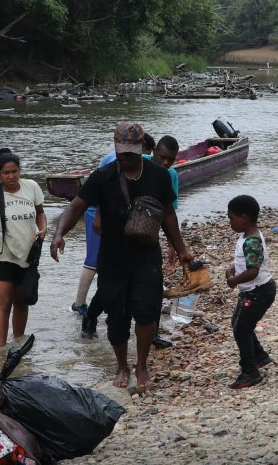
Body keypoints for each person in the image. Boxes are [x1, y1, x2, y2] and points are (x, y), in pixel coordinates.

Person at [50, 122, 193, 392]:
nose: (125, 157)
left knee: (147, 314)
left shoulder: (159, 176)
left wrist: (181, 249)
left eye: (130, 153)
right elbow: (76, 206)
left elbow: (169, 215)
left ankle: (141, 364)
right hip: (112, 259)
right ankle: (121, 364)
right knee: (116, 318)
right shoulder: (102, 176)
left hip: (146, 257)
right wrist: (59, 234)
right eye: (121, 152)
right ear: (115, 148)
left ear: (141, 149)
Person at [72, 131, 161, 336]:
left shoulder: (150, 169)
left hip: (129, 226)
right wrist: (99, 217)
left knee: (133, 284)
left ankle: (146, 330)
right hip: (104, 217)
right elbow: (102, 193)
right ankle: (85, 310)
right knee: (104, 273)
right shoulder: (116, 161)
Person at [0, 149, 46, 346]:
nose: (11, 176)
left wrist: (44, 228)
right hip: (0, 255)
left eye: (15, 171)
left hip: (27, 254)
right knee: (3, 305)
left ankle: (18, 345)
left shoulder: (31, 187)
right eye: (6, 173)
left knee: (21, 303)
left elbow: (40, 212)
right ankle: (1, 351)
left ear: (19, 171)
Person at [226, 194, 276, 389]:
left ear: (244, 217)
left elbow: (253, 271)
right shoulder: (246, 237)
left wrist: (234, 281)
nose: (230, 221)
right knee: (238, 323)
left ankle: (250, 372)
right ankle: (259, 355)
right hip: (252, 291)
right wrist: (233, 266)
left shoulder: (252, 240)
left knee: (241, 329)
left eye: (231, 217)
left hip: (258, 291)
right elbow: (245, 261)